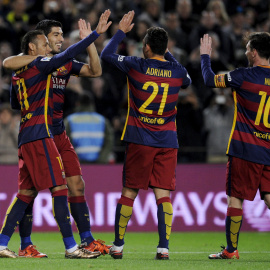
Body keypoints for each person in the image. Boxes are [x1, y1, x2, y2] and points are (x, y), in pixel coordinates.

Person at [0, 9, 111, 259]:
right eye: (55, 35)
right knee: (53, 188)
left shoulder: (60, 64)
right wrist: (93, 36)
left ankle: (86, 240)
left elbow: (95, 72)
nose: (61, 39)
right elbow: (8, 65)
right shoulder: (38, 63)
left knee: (67, 186)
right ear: (42, 40)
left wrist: (91, 43)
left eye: (62, 34)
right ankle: (56, 246)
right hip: (39, 132)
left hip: (55, 132)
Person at [100, 11, 192, 260]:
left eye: (144, 45)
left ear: (147, 47)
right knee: (163, 194)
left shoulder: (136, 64)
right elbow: (188, 80)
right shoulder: (178, 71)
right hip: (167, 141)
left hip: (140, 139)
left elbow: (106, 55)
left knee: (129, 191)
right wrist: (167, 53)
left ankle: (118, 246)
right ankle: (163, 248)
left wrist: (120, 32)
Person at [200, 32, 270, 259]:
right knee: (269, 197)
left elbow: (210, 80)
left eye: (248, 48)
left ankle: (231, 250)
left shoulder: (243, 76)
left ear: (254, 52)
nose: (246, 52)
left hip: (245, 148)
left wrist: (204, 57)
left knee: (235, 198)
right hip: (269, 150)